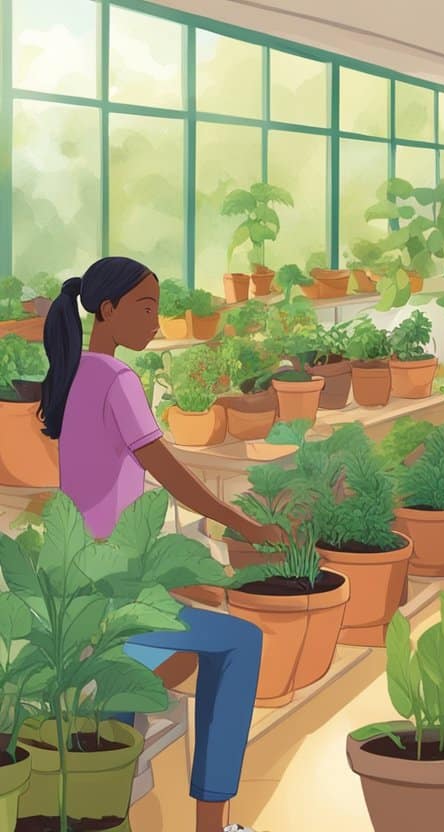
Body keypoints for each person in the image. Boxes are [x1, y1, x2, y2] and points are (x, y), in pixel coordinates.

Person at [40, 256, 282, 832]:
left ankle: (109, 811)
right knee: (241, 643)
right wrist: (247, 527)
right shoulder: (118, 380)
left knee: (138, 664)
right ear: (108, 310)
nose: (156, 320)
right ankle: (211, 825)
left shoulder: (76, 374)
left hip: (80, 592)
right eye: (145, 308)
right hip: (114, 595)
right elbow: (169, 473)